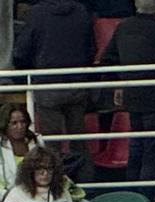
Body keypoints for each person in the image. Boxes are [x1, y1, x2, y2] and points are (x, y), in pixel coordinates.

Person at [100, 0, 155, 181]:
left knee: (136, 146)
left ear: (136, 5)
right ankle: (146, 192)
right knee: (152, 151)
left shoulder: (123, 27)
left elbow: (108, 58)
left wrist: (117, 83)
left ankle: (133, 189)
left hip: (133, 96)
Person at [12, 0, 95, 139]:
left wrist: (26, 71)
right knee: (78, 138)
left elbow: (22, 52)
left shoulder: (37, 13)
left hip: (47, 83)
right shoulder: (81, 11)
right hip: (77, 82)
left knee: (50, 141)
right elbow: (91, 49)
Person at [0, 104, 43, 194]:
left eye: (23, 122)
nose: (20, 126)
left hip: (37, 194)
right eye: (14, 123)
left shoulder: (37, 141)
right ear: (4, 125)